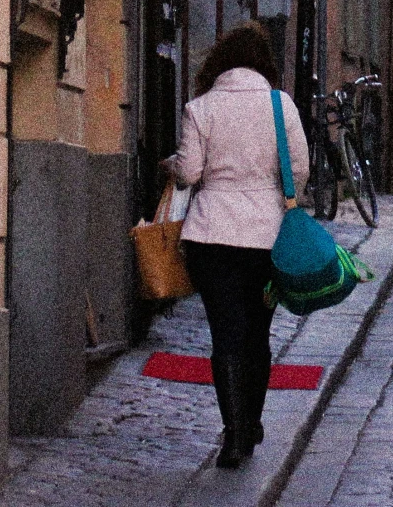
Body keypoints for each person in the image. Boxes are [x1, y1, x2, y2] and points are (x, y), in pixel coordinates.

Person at [165, 23, 307, 470]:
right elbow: (300, 170)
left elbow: (188, 173)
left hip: (212, 239)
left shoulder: (200, 107)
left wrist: (169, 164)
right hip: (266, 240)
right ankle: (252, 422)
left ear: (220, 63)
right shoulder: (280, 106)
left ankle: (233, 435)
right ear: (263, 63)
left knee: (225, 334)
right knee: (258, 335)